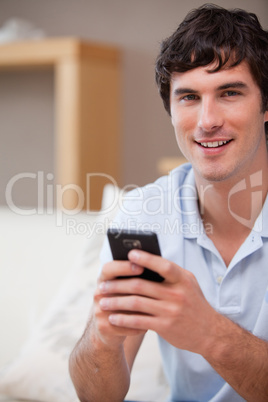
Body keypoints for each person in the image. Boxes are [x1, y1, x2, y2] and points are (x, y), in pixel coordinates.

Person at [69, 4, 268, 401]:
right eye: (189, 97)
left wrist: (209, 332)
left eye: (229, 92)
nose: (207, 120)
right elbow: (97, 397)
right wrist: (103, 337)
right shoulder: (145, 212)